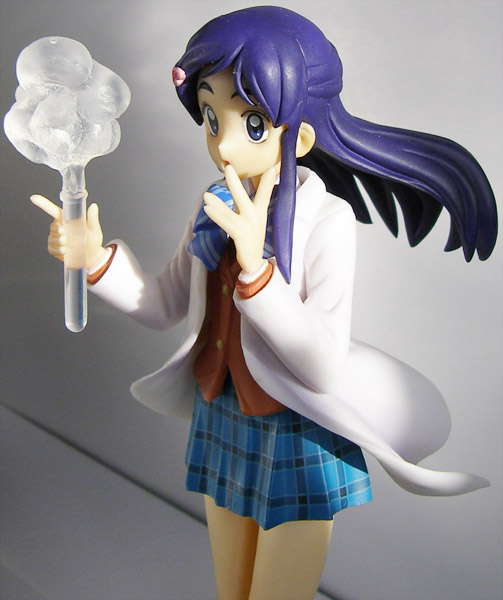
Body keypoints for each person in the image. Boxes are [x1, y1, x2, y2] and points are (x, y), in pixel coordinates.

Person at [32, 7, 497, 600]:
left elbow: (322, 365)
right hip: (222, 413)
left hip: (296, 428)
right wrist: (96, 260)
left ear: (298, 136)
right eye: (210, 116)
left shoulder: (326, 222)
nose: (223, 141)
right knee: (232, 589)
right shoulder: (213, 206)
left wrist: (256, 271)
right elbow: (164, 303)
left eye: (252, 123)